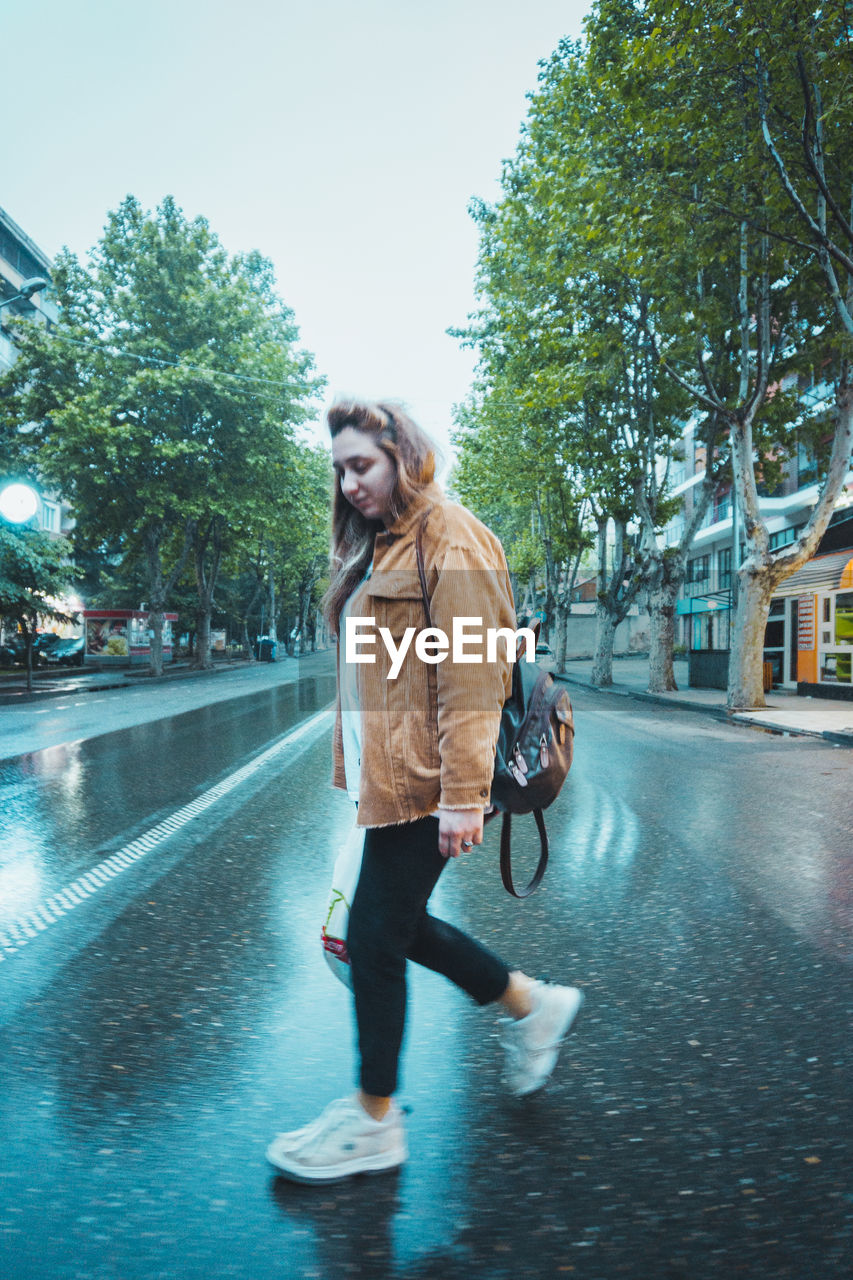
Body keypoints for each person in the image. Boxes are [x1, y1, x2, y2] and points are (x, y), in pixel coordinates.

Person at [266, 399, 583, 1184]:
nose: (347, 483)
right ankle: (529, 1004)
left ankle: (374, 1118)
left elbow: (472, 674)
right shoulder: (381, 547)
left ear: (401, 455)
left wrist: (464, 796)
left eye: (361, 465)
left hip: (428, 784)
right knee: (393, 927)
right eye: (338, 469)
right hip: (391, 782)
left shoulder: (450, 533)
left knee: (374, 939)